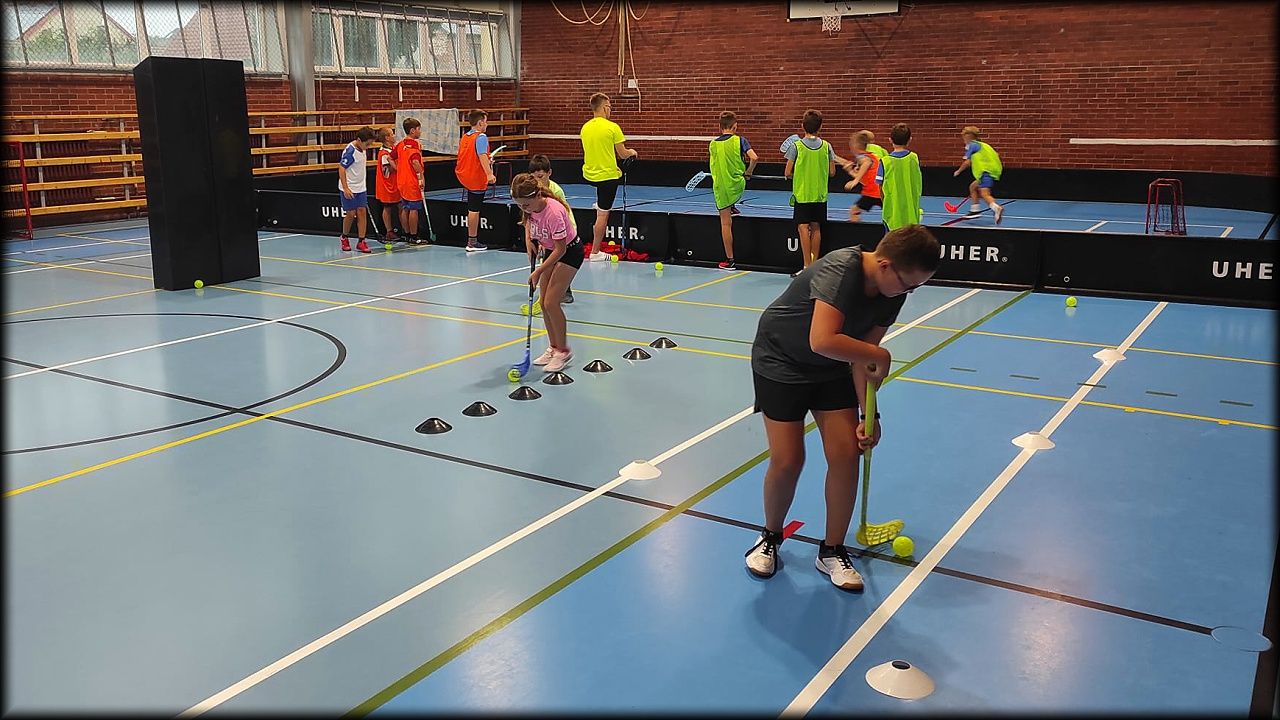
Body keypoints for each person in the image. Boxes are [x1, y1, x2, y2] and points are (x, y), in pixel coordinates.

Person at [745, 224, 941, 591]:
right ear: (885, 265)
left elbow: (862, 359)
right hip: (780, 361)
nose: (909, 292)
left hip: (832, 369)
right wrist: (881, 354)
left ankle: (832, 550)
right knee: (788, 460)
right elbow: (822, 339)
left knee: (846, 454)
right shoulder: (841, 269)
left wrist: (870, 415)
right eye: (908, 284)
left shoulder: (892, 293)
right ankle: (770, 536)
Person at [511, 173, 583, 373]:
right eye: (520, 205)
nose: (524, 209)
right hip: (550, 250)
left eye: (526, 205)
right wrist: (529, 241)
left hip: (569, 252)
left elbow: (561, 249)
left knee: (551, 302)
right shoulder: (529, 208)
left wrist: (538, 271)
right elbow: (528, 221)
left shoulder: (553, 211)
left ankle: (563, 351)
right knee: (543, 302)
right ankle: (553, 347)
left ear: (537, 196)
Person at [580, 92, 638, 261]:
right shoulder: (612, 127)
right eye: (610, 107)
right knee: (603, 215)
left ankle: (599, 204)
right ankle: (595, 252)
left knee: (601, 197)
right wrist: (632, 152)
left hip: (589, 175)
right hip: (607, 177)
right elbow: (623, 154)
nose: (610, 110)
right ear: (605, 108)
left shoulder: (585, 128)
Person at [784, 109, 836, 276]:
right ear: (820, 127)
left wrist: (800, 174)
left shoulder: (796, 146)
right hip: (820, 195)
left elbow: (787, 172)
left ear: (802, 126)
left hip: (803, 195)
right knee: (816, 228)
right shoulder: (827, 146)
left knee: (803, 228)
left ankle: (806, 267)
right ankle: (814, 267)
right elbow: (832, 172)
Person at [709, 110, 758, 270]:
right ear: (735, 126)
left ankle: (730, 260)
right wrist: (749, 172)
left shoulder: (713, 144)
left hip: (722, 188)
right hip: (738, 184)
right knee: (731, 197)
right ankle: (733, 205)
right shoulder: (740, 141)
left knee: (725, 224)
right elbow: (754, 157)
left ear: (719, 127)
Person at [529, 154, 577, 303]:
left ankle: (565, 290)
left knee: (560, 260)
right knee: (549, 261)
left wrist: (545, 240)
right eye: (534, 177)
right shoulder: (532, 192)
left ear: (549, 173)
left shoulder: (556, 191)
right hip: (546, 231)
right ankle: (547, 294)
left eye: (540, 177)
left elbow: (558, 218)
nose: (538, 181)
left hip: (564, 229)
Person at [456, 108, 496, 252]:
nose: (487, 124)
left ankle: (472, 240)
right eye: (485, 121)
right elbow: (482, 156)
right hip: (476, 178)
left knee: (472, 208)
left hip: (465, 176)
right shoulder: (481, 137)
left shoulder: (465, 137)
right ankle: (472, 242)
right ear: (480, 123)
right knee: (474, 209)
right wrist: (489, 174)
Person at [953, 125, 1004, 224]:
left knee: (985, 193)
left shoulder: (973, 145)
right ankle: (975, 210)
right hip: (990, 172)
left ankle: (996, 208)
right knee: (973, 187)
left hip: (985, 172)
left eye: (964, 138)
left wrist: (958, 171)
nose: (964, 140)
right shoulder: (985, 146)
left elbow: (967, 162)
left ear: (968, 137)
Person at [337, 126, 376, 253]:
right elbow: (341, 169)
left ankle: (361, 241)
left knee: (362, 212)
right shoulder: (350, 151)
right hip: (349, 187)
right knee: (350, 214)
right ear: (359, 140)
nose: (368, 147)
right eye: (367, 144)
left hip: (361, 187)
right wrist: (346, 188)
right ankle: (344, 237)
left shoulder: (362, 148)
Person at [880, 123, 923, 232]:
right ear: (909, 140)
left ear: (890, 140)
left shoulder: (884, 162)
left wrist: (885, 202)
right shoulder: (914, 158)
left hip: (892, 213)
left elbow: (880, 186)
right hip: (912, 212)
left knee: (892, 241)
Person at [395, 117, 429, 245]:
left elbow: (390, 158)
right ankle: (414, 237)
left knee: (405, 208)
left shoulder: (400, 144)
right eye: (419, 129)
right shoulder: (414, 145)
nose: (420, 132)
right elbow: (415, 162)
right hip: (412, 182)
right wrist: (421, 177)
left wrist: (398, 169)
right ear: (412, 130)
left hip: (401, 181)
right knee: (413, 209)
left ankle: (407, 234)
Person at [839, 131, 883, 223]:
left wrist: (855, 181)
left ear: (855, 146)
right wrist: (850, 171)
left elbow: (867, 163)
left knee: (853, 212)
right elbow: (864, 179)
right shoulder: (871, 156)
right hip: (878, 192)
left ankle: (856, 229)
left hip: (873, 194)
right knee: (854, 211)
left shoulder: (863, 157)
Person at [374, 126, 401, 244]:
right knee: (387, 208)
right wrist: (397, 165)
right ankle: (389, 232)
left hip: (396, 184)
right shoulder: (384, 153)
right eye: (392, 134)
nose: (394, 136)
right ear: (387, 138)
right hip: (387, 185)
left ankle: (404, 230)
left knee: (401, 206)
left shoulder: (393, 149)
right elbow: (386, 172)